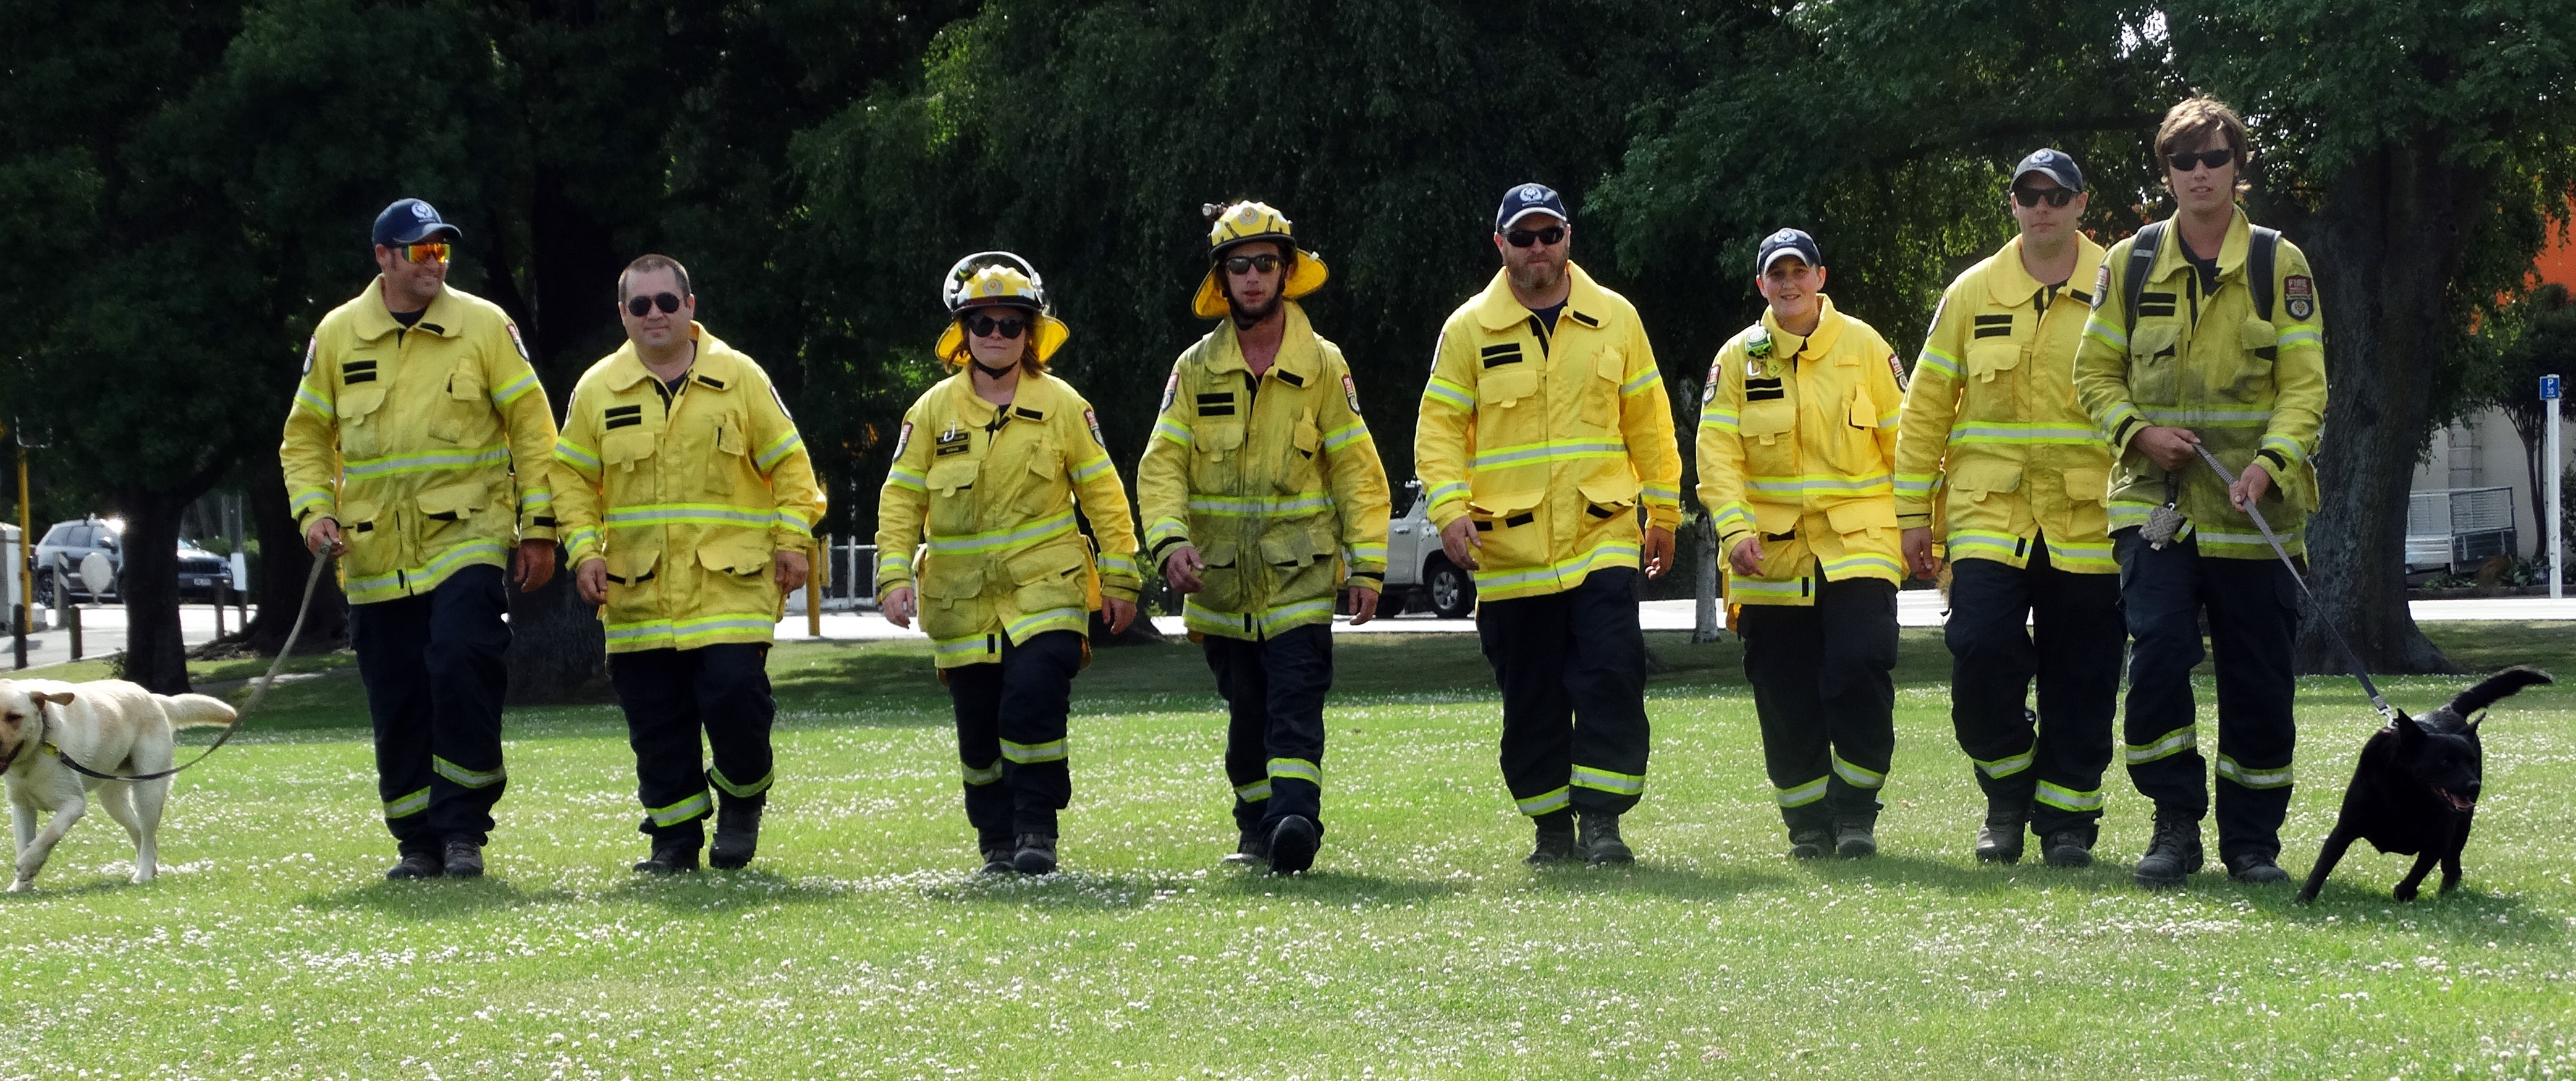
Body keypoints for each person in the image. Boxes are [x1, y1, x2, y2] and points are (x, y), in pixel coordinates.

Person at [2074, 96, 2328, 888]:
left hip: (2256, 513)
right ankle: (2173, 827)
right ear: (2166, 172)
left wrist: (2270, 462)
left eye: (2212, 158)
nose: (2197, 173)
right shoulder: (2129, 261)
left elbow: (2305, 388)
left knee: (2258, 681)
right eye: (2182, 161)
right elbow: (2092, 374)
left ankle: (2252, 843)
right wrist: (2138, 433)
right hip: (2154, 509)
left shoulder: (2278, 263)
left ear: (2236, 166)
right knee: (2156, 664)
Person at [279, 198, 559, 880]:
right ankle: (416, 842)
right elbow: (305, 438)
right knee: (397, 694)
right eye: (420, 251)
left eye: (442, 251)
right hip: (372, 553)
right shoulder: (338, 334)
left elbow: (532, 429)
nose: (434, 263)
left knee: (462, 660)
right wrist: (314, 512)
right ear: (383, 257)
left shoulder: (485, 326)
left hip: (469, 535)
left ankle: (463, 828)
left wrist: (541, 528)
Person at [1416, 183, 1683, 865]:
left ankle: (1601, 822)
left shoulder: (1615, 318)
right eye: (1524, 237)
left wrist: (1664, 509)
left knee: (1610, 674)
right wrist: (1447, 510)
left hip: (1603, 537)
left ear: (1568, 237)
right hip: (1508, 554)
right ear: (1499, 243)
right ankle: (1549, 829)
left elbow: (1649, 423)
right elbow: (1438, 431)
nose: (1539, 249)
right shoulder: (1468, 329)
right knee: (1530, 696)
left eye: (1550, 235)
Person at [1135, 201, 1391, 874]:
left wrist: (1366, 568)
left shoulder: (1323, 365)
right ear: (1222, 279)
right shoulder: (1193, 370)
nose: (1253, 277)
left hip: (1299, 581)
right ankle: (1255, 821)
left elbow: (1358, 473)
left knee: (1294, 705)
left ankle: (1294, 823)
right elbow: (1161, 465)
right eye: (1239, 266)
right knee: (1246, 716)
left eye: (1265, 264)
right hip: (1219, 587)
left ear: (1285, 273)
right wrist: (1167, 544)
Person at [551, 255, 824, 875]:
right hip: (637, 592)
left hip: (730, 590)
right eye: (640, 305)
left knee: (737, 699)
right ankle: (672, 844)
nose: (654, 315)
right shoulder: (596, 390)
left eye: (666, 302)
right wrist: (583, 551)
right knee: (656, 724)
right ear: (622, 313)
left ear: (690, 306)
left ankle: (741, 801)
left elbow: (790, 467)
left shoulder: (739, 376)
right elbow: (567, 479)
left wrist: (790, 538)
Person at [874, 252, 1143, 876]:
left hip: (1046, 593)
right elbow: (899, 500)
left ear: (1032, 332)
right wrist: (891, 575)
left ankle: (1035, 827)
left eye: (1010, 324)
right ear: (962, 334)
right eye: (982, 323)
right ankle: (994, 835)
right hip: (960, 602)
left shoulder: (1064, 405)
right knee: (978, 730)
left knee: (1031, 700)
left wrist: (1123, 574)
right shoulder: (930, 413)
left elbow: (1103, 494)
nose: (996, 336)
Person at [1892, 150, 2122, 868]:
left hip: (2089, 520)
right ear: (2013, 205)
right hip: (1987, 517)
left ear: (2081, 203)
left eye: (2057, 195)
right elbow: (1925, 407)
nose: (2042, 206)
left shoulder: (2119, 282)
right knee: (1979, 654)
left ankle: (2066, 825)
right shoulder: (1971, 292)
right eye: (2029, 195)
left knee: (2081, 679)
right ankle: (2006, 788)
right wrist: (1910, 516)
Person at [1696, 228, 1905, 860]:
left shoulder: (1864, 346)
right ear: (1760, 284)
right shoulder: (1737, 359)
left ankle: (1855, 809)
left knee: (1860, 666)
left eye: (1798, 271)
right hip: (1769, 554)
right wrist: (1732, 529)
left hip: (1859, 545)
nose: (1787, 283)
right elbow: (1717, 454)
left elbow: (1906, 443)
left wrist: (1930, 527)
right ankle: (1807, 826)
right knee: (1782, 693)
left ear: (1820, 277)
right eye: (1775, 274)